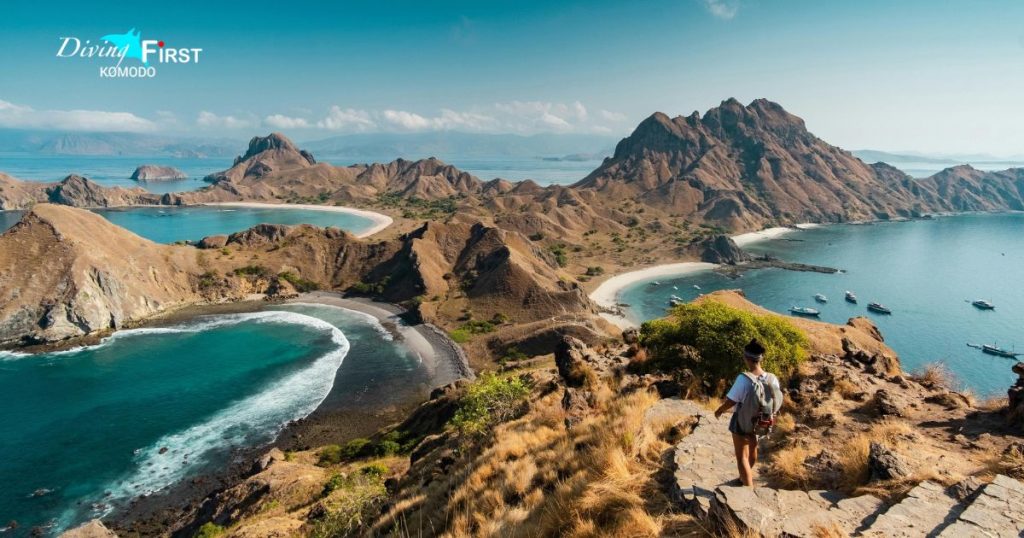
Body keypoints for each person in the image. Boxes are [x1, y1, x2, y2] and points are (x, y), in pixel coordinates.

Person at [713, 338, 781, 487]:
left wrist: (719, 411)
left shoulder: (744, 379)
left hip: (742, 420)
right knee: (752, 449)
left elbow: (731, 401)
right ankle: (745, 477)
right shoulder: (772, 378)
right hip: (761, 420)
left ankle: (748, 489)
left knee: (741, 456)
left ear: (746, 358)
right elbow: (777, 399)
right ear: (760, 358)